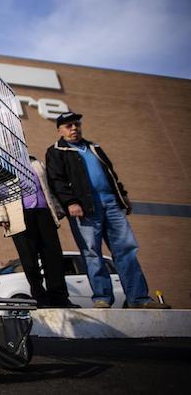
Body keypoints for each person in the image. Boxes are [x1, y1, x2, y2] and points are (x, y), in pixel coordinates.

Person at [45, 112, 170, 309]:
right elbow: (56, 181)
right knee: (92, 253)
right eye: (68, 126)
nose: (74, 129)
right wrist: (70, 202)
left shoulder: (94, 148)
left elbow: (111, 174)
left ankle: (139, 299)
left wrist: (122, 195)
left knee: (126, 250)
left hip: (111, 204)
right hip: (84, 208)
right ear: (59, 130)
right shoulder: (56, 151)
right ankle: (102, 297)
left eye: (76, 124)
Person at [0, 156, 78, 308]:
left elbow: (48, 188)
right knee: (29, 261)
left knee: (53, 257)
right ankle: (40, 298)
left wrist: (58, 209)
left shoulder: (36, 163)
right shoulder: (1, 163)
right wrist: (0, 215)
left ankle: (59, 298)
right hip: (19, 216)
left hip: (43, 213)